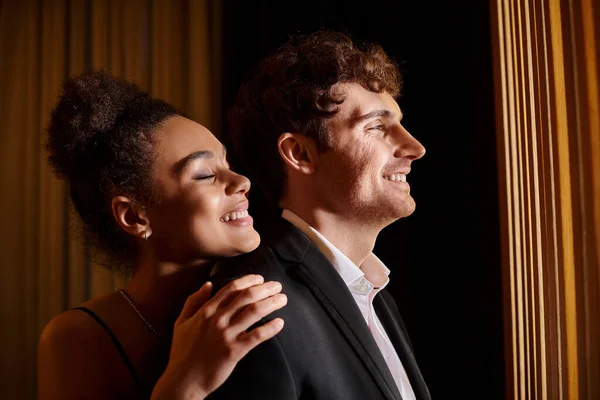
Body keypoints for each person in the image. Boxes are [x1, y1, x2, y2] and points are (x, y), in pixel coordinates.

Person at [37, 70, 287, 400]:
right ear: (133, 216)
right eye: (205, 174)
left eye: (229, 163)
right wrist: (187, 383)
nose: (241, 181)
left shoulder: (254, 296)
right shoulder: (76, 338)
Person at [208, 31, 430, 400]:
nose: (415, 147)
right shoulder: (255, 306)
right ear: (300, 154)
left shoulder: (376, 296)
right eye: (376, 126)